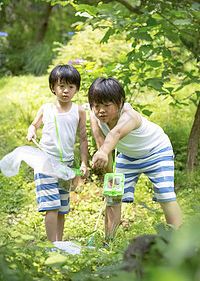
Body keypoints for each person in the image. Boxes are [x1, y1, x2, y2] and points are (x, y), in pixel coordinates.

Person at [88, 77, 182, 242]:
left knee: (165, 194)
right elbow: (104, 147)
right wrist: (110, 181)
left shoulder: (130, 116)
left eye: (106, 105)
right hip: (129, 156)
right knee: (113, 197)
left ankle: (177, 240)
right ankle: (109, 242)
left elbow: (115, 134)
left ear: (120, 102)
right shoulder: (95, 118)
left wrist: (103, 151)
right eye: (96, 105)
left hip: (157, 152)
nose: (100, 110)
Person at [26, 64, 89, 242]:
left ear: (76, 88)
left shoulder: (79, 111)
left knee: (62, 206)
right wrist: (31, 131)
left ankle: (59, 243)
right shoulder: (46, 109)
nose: (66, 91)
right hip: (45, 162)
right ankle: (51, 245)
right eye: (61, 86)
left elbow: (83, 139)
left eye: (71, 87)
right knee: (51, 205)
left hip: (66, 165)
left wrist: (84, 163)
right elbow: (34, 125)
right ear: (53, 87)